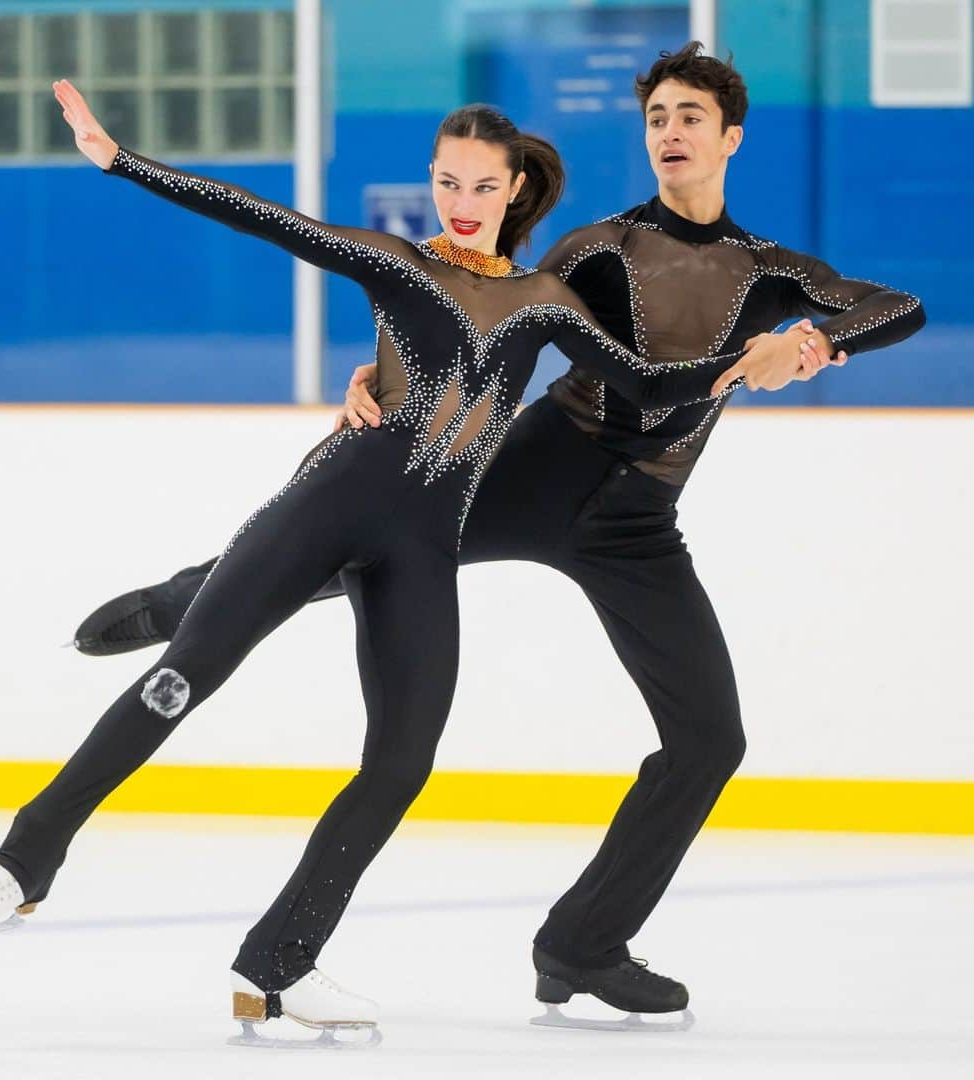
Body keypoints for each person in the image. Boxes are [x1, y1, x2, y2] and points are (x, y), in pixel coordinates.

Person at [72, 43, 926, 1029]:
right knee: (355, 549)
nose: (672, 133)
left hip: (638, 524)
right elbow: (474, 310)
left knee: (709, 739)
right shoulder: (600, 249)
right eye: (657, 118)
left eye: (692, 117)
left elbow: (897, 306)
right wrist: (380, 380)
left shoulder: (772, 272)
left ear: (731, 137)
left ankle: (582, 945)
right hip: (536, 468)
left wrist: (814, 339)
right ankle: (192, 598)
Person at [0, 82, 766, 1047]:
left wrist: (760, 358)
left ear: (512, 191)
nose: (462, 199)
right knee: (180, 682)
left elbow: (650, 384)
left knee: (402, 762)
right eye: (448, 180)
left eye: (482, 185)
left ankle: (278, 967)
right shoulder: (394, 262)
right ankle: (26, 857)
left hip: (421, 548)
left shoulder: (544, 301)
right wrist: (121, 160)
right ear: (432, 183)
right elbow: (260, 214)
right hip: (319, 511)